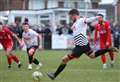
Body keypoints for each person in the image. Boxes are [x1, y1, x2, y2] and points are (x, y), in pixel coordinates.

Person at [47, 9, 117, 80]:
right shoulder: (75, 24)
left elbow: (89, 20)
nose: (70, 18)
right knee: (92, 56)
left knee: (64, 59)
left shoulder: (81, 20)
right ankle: (108, 49)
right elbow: (75, 32)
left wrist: (97, 17)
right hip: (84, 45)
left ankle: (54, 75)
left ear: (74, 15)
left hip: (81, 46)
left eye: (70, 16)